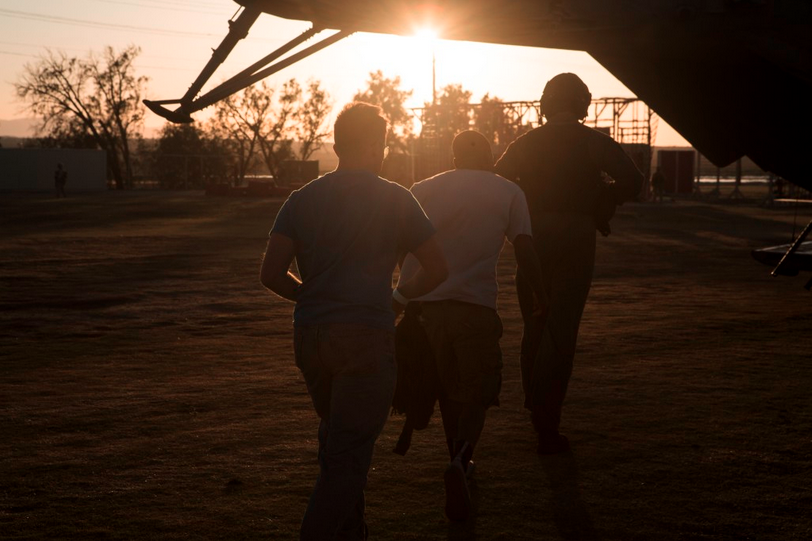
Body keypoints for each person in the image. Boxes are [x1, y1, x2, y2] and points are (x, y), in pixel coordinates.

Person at [260, 102, 448, 540]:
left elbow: (270, 274)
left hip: (311, 336)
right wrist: (398, 297)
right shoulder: (397, 198)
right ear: (374, 145)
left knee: (338, 443)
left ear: (337, 144)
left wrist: (307, 295)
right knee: (348, 455)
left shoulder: (301, 199)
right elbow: (437, 268)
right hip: (366, 334)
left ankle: (352, 531)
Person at [396, 130, 547, 521]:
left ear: (452, 156)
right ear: (492, 155)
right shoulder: (509, 191)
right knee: (476, 390)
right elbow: (525, 248)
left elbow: (399, 244)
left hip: (422, 308)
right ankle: (462, 460)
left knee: (445, 387)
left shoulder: (422, 188)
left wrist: (400, 292)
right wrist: (541, 293)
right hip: (473, 306)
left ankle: (457, 461)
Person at [495, 73, 643, 454]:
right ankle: (547, 419)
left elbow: (498, 182)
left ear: (546, 104)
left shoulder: (525, 143)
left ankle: (534, 401)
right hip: (576, 235)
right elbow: (633, 180)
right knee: (562, 327)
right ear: (582, 104)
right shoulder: (592, 141)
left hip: (532, 235)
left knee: (534, 322)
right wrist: (601, 201)